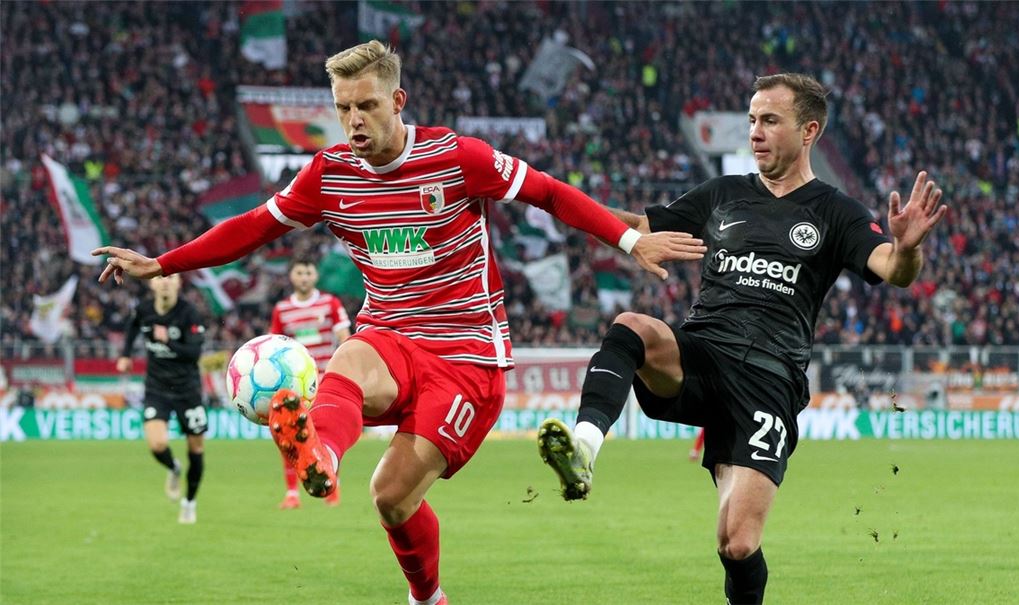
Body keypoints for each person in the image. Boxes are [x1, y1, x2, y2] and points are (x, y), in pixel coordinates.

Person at [93, 40, 704, 605]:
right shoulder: (329, 173)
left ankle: (425, 596)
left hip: (468, 357)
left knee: (390, 497)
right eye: (342, 108)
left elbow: (548, 192)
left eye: (366, 106)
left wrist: (628, 240)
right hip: (389, 334)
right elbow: (253, 226)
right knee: (352, 356)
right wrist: (162, 262)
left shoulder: (455, 157)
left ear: (397, 101)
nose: (354, 120)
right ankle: (320, 455)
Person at [537, 73, 947, 604]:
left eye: (770, 120)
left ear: (809, 132)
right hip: (703, 354)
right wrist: (553, 199)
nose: (755, 131)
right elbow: (636, 224)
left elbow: (894, 268)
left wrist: (908, 246)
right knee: (631, 327)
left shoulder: (835, 211)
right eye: (751, 120)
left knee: (737, 543)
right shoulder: (721, 195)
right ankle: (585, 449)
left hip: (770, 381)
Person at [117, 274, 207, 524]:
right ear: (151, 283)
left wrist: (169, 341)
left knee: (196, 449)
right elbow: (133, 325)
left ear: (179, 283)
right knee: (156, 445)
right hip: (157, 389)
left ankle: (189, 502)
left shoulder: (189, 313)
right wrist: (125, 354)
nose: (165, 281)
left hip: (187, 391)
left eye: (170, 277)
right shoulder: (144, 310)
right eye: (159, 277)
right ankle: (174, 468)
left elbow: (194, 354)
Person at [269, 257, 350, 509]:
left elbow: (344, 337)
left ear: (315, 276)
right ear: (292, 276)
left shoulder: (330, 303)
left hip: (325, 382)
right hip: (295, 386)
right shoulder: (282, 310)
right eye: (299, 272)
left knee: (327, 434)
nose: (304, 277)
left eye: (308, 272)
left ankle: (331, 485)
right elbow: (275, 346)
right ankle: (292, 493)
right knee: (287, 434)